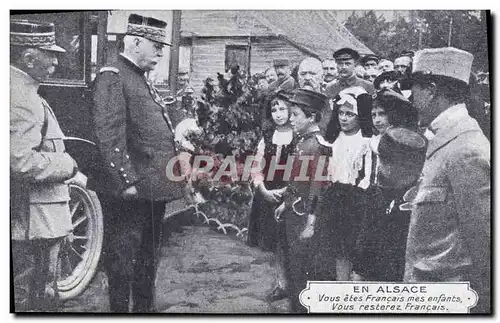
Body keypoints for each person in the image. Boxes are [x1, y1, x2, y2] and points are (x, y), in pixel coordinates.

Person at [90, 14, 190, 313]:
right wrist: (126, 182)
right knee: (122, 262)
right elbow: (109, 134)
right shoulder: (114, 76)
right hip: (131, 192)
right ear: (134, 42)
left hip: (150, 190)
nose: (161, 53)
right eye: (156, 46)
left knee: (147, 259)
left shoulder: (137, 78)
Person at [404, 47, 490, 314]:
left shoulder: (467, 149)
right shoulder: (443, 137)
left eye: (414, 89)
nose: (409, 97)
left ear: (430, 90)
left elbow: (485, 243)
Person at [10, 19, 87, 311]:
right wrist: (66, 165)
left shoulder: (21, 90)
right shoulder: (21, 98)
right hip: (33, 225)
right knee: (34, 300)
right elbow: (19, 161)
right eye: (49, 53)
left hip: (32, 221)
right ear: (29, 57)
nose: (56, 59)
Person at [352, 90, 422, 282]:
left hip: (396, 200)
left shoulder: (403, 140)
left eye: (382, 114)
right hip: (375, 196)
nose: (377, 119)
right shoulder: (374, 140)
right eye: (373, 115)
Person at [275, 89, 332, 313]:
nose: (291, 119)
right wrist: (285, 203)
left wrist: (311, 222)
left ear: (312, 117)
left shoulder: (319, 146)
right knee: (294, 269)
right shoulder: (302, 142)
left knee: (304, 270)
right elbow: (294, 180)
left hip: (305, 216)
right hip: (293, 212)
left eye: (296, 114)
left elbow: (318, 187)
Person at [247, 91, 294, 302]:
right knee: (277, 243)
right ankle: (281, 283)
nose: (278, 114)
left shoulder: (298, 135)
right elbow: (257, 166)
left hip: (292, 193)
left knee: (291, 240)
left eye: (282, 108)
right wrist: (263, 189)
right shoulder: (267, 137)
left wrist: (286, 191)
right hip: (269, 192)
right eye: (274, 110)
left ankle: (296, 283)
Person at [322, 86, 373, 281]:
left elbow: (367, 174)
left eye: (349, 114)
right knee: (338, 247)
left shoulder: (366, 141)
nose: (344, 118)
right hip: (334, 195)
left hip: (357, 197)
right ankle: (340, 284)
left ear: (359, 116)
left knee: (355, 245)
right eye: (341, 113)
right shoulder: (333, 139)